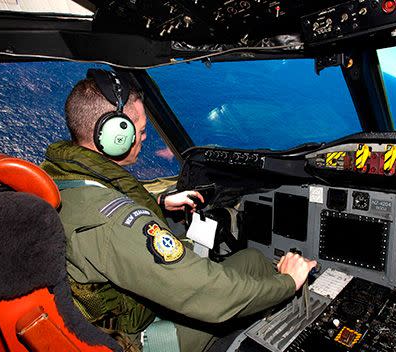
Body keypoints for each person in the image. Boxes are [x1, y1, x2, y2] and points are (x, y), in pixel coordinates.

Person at [40, 69, 317, 352]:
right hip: (131, 340)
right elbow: (212, 296)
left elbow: (102, 208)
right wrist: (288, 282)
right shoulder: (113, 221)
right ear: (114, 136)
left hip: (117, 312)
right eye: (143, 130)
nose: (145, 138)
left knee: (253, 261)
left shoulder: (59, 176)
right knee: (232, 297)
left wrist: (158, 204)